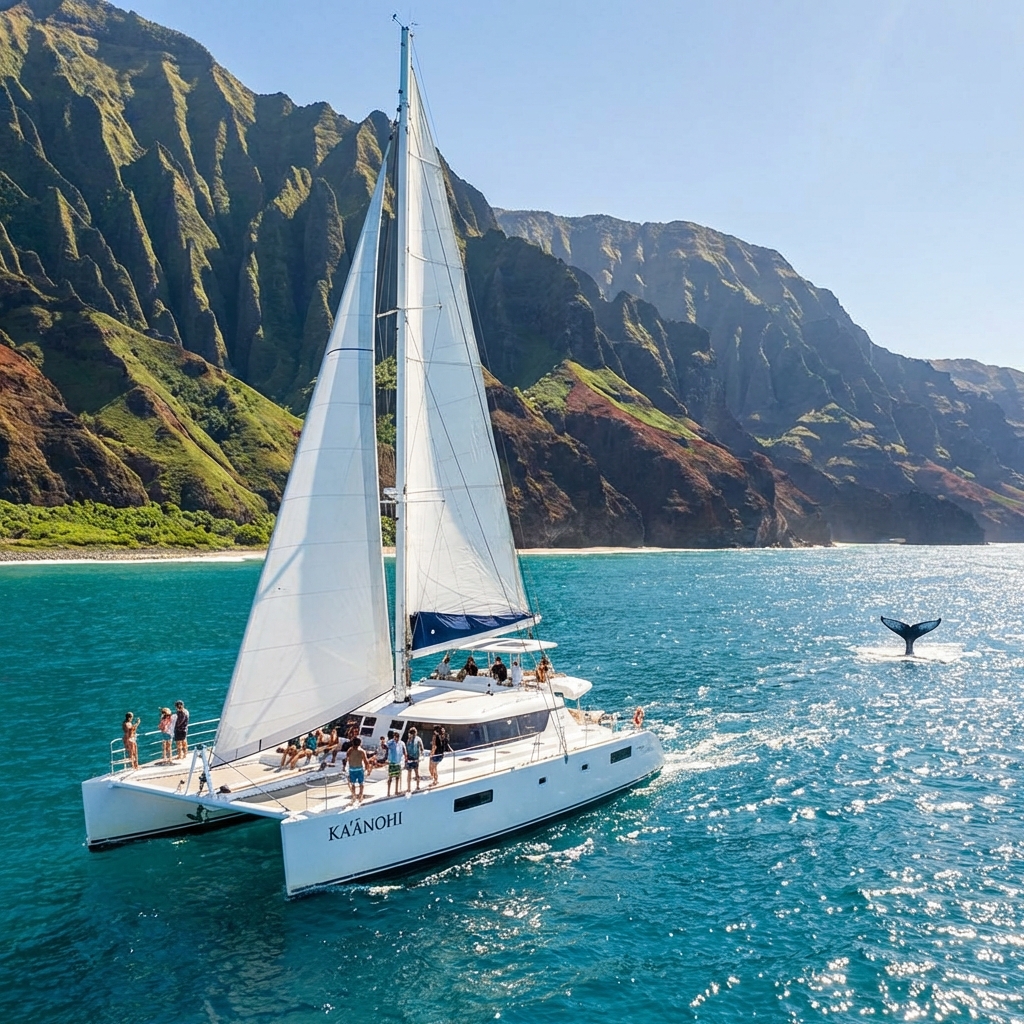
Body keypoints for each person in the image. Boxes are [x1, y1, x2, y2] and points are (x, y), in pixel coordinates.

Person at [346, 736, 368, 802]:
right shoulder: (362, 751)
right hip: (359, 769)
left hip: (352, 769)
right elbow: (366, 762)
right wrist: (367, 769)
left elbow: (347, 758)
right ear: (360, 743)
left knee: (352, 783)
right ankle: (360, 795)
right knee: (361, 783)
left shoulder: (350, 750)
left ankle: (354, 796)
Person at [386, 730, 406, 796]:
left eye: (398, 736)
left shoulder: (401, 743)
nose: (396, 738)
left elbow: (404, 750)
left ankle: (396, 791)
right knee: (390, 777)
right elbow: (386, 746)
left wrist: (405, 756)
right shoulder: (390, 742)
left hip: (398, 762)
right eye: (395, 736)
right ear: (394, 736)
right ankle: (388, 792)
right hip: (392, 762)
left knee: (397, 777)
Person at [405, 727, 424, 791]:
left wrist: (420, 756)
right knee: (409, 773)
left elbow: (422, 748)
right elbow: (407, 749)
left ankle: (417, 786)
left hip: (415, 758)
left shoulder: (418, 739)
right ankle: (409, 788)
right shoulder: (409, 739)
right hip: (410, 758)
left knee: (416, 773)